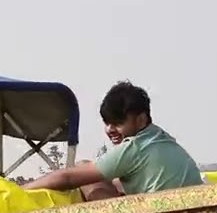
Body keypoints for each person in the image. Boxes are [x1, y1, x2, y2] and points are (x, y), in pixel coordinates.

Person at [23, 81, 202, 200]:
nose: (110, 130)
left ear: (140, 120)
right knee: (112, 181)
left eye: (118, 123)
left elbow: (67, 177)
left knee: (86, 173)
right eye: (107, 123)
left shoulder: (135, 148)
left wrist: (21, 191)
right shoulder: (163, 140)